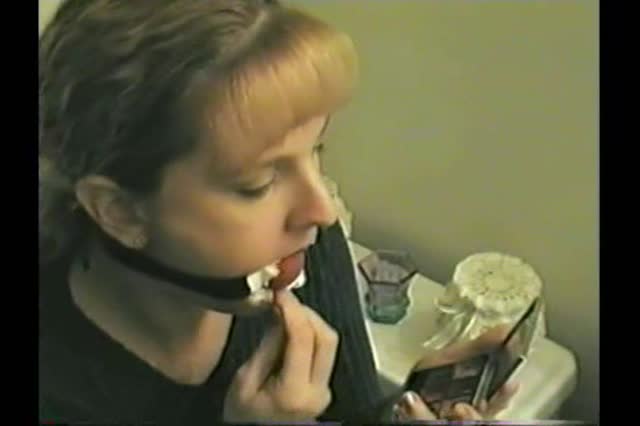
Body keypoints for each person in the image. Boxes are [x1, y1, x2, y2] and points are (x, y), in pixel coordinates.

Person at [38, 0, 518, 423]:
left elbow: (351, 411)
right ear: (120, 211)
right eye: (260, 183)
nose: (322, 210)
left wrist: (404, 411)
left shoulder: (303, 246)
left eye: (317, 151)